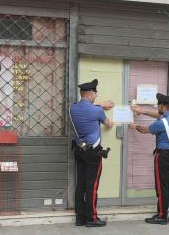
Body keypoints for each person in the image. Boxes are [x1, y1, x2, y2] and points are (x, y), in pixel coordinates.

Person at [130, 93, 169, 225]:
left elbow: (145, 130)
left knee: (161, 187)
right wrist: (142, 111)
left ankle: (162, 216)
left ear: (163, 106)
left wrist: (134, 126)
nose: (157, 107)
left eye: (159, 105)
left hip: (163, 156)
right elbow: (158, 115)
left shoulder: (161, 123)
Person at [70, 79, 114, 227]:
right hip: (92, 153)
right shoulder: (97, 111)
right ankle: (92, 218)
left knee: (80, 184)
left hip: (79, 150)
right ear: (89, 94)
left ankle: (80, 218)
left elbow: (87, 108)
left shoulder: (73, 108)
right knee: (92, 186)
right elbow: (107, 123)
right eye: (95, 94)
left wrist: (100, 105)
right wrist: (111, 121)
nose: (96, 96)